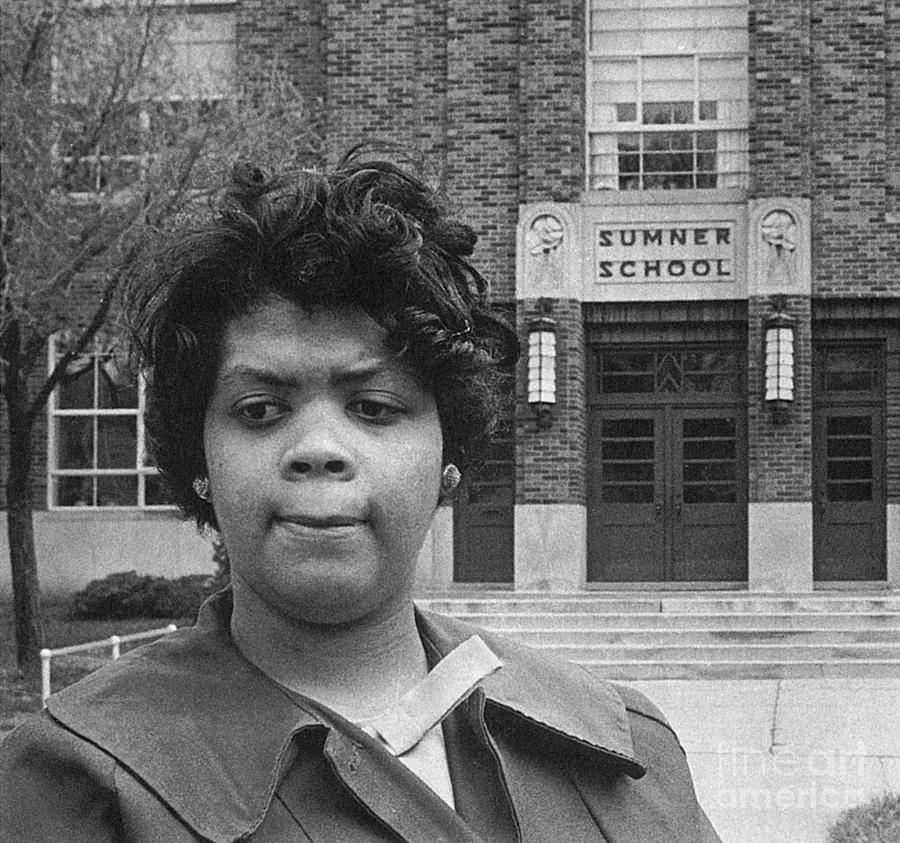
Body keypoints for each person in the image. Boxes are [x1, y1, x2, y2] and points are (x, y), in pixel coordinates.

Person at [0, 150, 721, 842]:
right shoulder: (77, 785)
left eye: (374, 407)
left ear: (449, 459)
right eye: (260, 410)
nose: (319, 446)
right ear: (200, 462)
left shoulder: (628, 750)